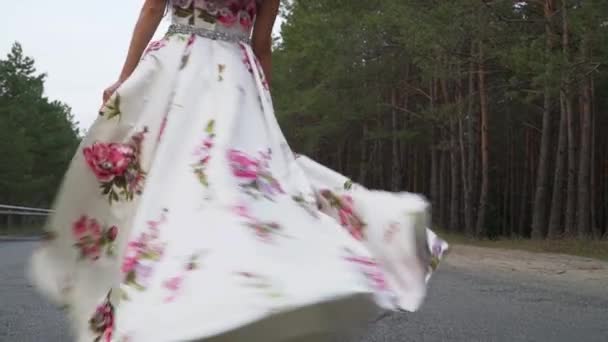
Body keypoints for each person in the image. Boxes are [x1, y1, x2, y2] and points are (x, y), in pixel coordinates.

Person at [28, 0, 448, 341]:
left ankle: (166, 292)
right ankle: (216, 287)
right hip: (235, 77)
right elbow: (261, 45)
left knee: (164, 180)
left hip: (176, 69)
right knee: (242, 185)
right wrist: (264, 108)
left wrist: (125, 78)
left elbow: (152, 11)